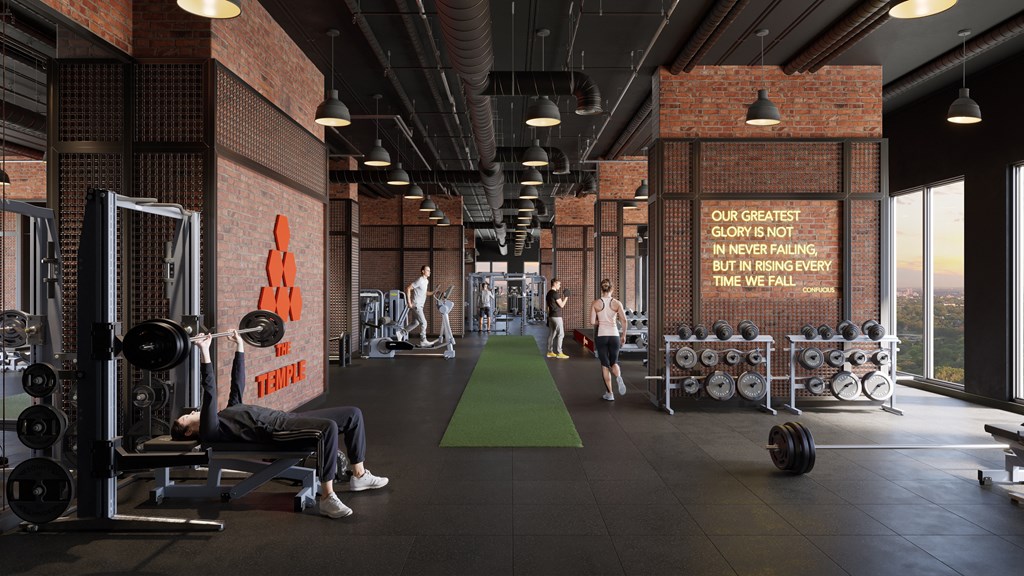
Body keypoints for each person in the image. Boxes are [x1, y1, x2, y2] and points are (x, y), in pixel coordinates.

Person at [171, 331, 389, 519]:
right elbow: (209, 393)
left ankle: (359, 476)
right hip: (277, 432)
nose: (190, 412)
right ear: (189, 430)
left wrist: (239, 345)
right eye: (185, 418)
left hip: (287, 419)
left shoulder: (226, 412)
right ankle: (327, 497)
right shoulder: (211, 431)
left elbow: (237, 383)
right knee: (328, 428)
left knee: (353, 414)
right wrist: (204, 352)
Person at [590, 278, 628, 401]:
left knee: (605, 365)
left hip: (601, 336)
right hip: (614, 335)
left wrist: (601, 321)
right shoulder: (617, 303)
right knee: (614, 362)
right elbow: (624, 320)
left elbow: (592, 322)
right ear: (612, 289)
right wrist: (624, 335)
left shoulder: (596, 303)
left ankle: (610, 393)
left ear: (602, 289)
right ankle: (618, 376)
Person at [405, 264, 435, 347]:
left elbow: (425, 293)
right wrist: (409, 302)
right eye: (427, 270)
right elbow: (408, 288)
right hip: (416, 305)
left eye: (429, 270)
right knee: (424, 323)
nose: (429, 272)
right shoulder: (420, 280)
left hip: (420, 305)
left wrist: (433, 292)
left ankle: (400, 333)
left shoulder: (426, 281)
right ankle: (423, 340)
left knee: (415, 323)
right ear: (423, 271)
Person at [546, 278, 569, 359]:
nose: (560, 285)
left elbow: (548, 307)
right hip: (557, 316)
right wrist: (566, 297)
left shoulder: (548, 293)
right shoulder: (555, 294)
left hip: (551, 316)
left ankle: (550, 352)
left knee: (552, 334)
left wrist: (548, 317)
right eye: (559, 284)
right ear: (555, 284)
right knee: (561, 334)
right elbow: (562, 305)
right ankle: (560, 352)